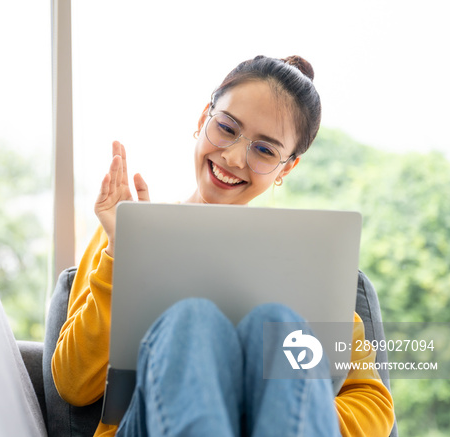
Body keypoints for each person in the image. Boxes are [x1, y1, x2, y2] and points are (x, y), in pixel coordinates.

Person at [52, 55, 395, 436]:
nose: (233, 157)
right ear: (203, 120)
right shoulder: (125, 231)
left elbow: (373, 405)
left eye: (265, 151)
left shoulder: (307, 262)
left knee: (277, 326)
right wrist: (124, 255)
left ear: (286, 168)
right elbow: (73, 384)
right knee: (193, 321)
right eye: (227, 128)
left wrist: (280, 404)